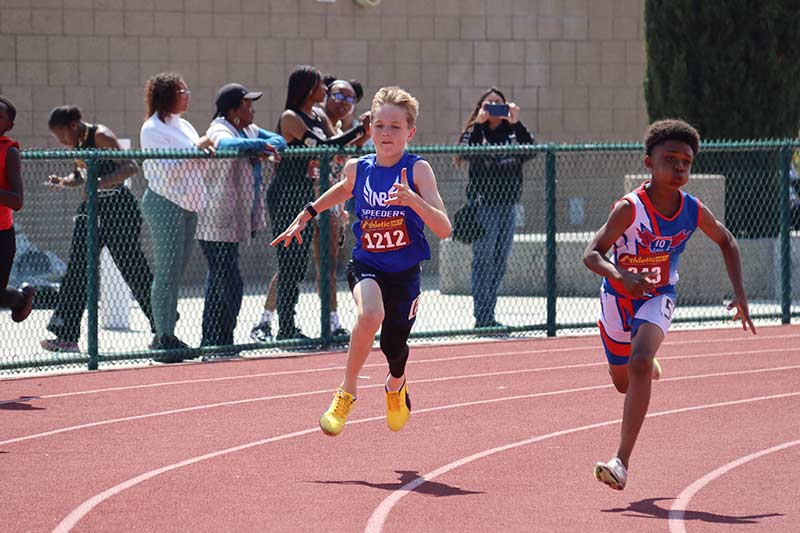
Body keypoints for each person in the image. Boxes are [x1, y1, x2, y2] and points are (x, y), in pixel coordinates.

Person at [583, 119, 756, 491]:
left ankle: (620, 462)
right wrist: (619, 275)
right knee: (622, 382)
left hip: (660, 295)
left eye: (686, 162)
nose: (679, 167)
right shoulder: (629, 209)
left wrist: (740, 293)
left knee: (640, 362)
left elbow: (726, 240)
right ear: (649, 162)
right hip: (617, 298)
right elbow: (591, 254)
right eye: (670, 159)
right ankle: (642, 362)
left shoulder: (692, 209)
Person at [271, 86, 451, 437]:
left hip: (405, 273)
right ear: (370, 129)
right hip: (367, 263)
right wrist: (306, 214)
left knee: (393, 347)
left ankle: (396, 384)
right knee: (370, 315)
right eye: (379, 125)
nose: (386, 133)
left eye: (395, 127)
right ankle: (347, 391)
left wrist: (413, 201)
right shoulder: (359, 168)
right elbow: (342, 189)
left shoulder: (418, 170)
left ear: (410, 132)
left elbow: (444, 229)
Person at [264, 65, 368, 341]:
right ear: (309, 88)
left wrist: (364, 133)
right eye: (321, 85)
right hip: (286, 193)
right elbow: (323, 146)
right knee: (290, 262)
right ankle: (284, 327)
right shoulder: (291, 117)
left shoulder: (319, 116)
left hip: (307, 193)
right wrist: (359, 131)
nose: (325, 89)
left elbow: (337, 146)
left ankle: (293, 326)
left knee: (300, 265)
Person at [42, 106, 155, 353]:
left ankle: (162, 327)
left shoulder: (100, 135)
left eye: (62, 135)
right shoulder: (77, 144)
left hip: (118, 209)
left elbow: (130, 166)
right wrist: (63, 182)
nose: (62, 142)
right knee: (77, 270)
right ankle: (66, 336)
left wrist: (98, 182)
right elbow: (79, 176)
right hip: (91, 210)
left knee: (133, 268)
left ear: (73, 125)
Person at [198, 83, 286, 351]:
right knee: (227, 281)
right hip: (215, 219)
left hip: (237, 217)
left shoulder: (249, 129)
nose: (253, 109)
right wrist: (259, 147)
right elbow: (226, 145)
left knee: (226, 280)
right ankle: (213, 340)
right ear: (234, 110)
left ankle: (220, 340)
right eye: (247, 104)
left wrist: (262, 146)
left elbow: (279, 140)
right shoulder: (219, 127)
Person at [140, 72, 213, 362]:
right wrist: (196, 151)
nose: (187, 96)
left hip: (188, 203)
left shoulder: (184, 125)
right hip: (164, 202)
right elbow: (168, 169)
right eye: (182, 91)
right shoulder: (152, 128)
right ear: (166, 95)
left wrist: (202, 154)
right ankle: (163, 336)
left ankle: (166, 331)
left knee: (176, 270)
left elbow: (195, 163)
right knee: (167, 270)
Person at [458, 87, 535, 328]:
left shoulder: (512, 132)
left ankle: (489, 312)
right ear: (481, 107)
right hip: (484, 206)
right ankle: (483, 317)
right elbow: (466, 153)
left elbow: (531, 150)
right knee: (484, 260)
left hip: (508, 205)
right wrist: (478, 125)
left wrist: (516, 123)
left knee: (500, 261)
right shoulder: (475, 131)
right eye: (488, 104)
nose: (493, 107)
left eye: (498, 103)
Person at [0, 96, 35, 323]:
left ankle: (21, 299)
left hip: (2, 235)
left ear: (9, 125)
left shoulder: (9, 151)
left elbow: (17, 200)